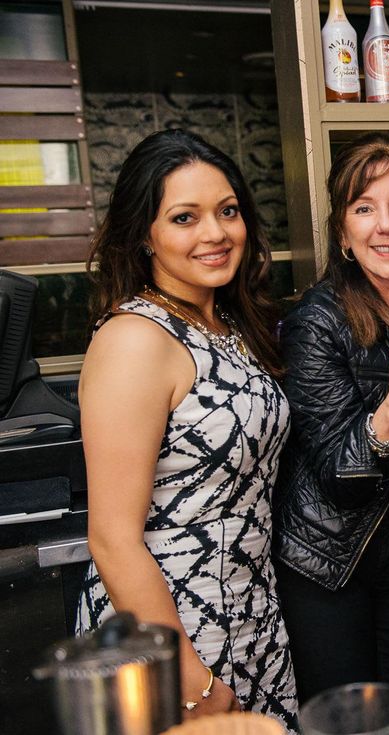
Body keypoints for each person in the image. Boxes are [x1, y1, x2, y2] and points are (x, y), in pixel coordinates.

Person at [77, 129, 298, 731]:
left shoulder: (225, 320)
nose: (215, 233)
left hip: (251, 610)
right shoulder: (134, 340)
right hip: (172, 628)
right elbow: (113, 538)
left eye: (228, 211)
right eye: (184, 217)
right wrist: (189, 675)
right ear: (143, 235)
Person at [273, 133, 389, 735]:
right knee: (351, 727)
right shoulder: (316, 320)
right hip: (332, 561)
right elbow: (338, 478)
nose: (386, 225)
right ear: (344, 232)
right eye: (364, 208)